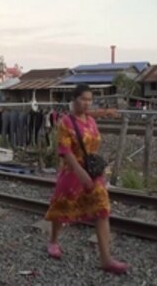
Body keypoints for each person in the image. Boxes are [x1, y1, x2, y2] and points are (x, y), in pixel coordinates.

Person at [44, 84, 129, 274]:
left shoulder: (90, 119)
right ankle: (53, 241)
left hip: (93, 172)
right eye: (83, 99)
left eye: (90, 100)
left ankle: (106, 259)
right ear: (74, 99)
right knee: (61, 208)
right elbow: (64, 151)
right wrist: (79, 172)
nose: (87, 103)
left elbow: (90, 116)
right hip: (72, 172)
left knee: (102, 209)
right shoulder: (65, 122)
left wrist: (106, 112)